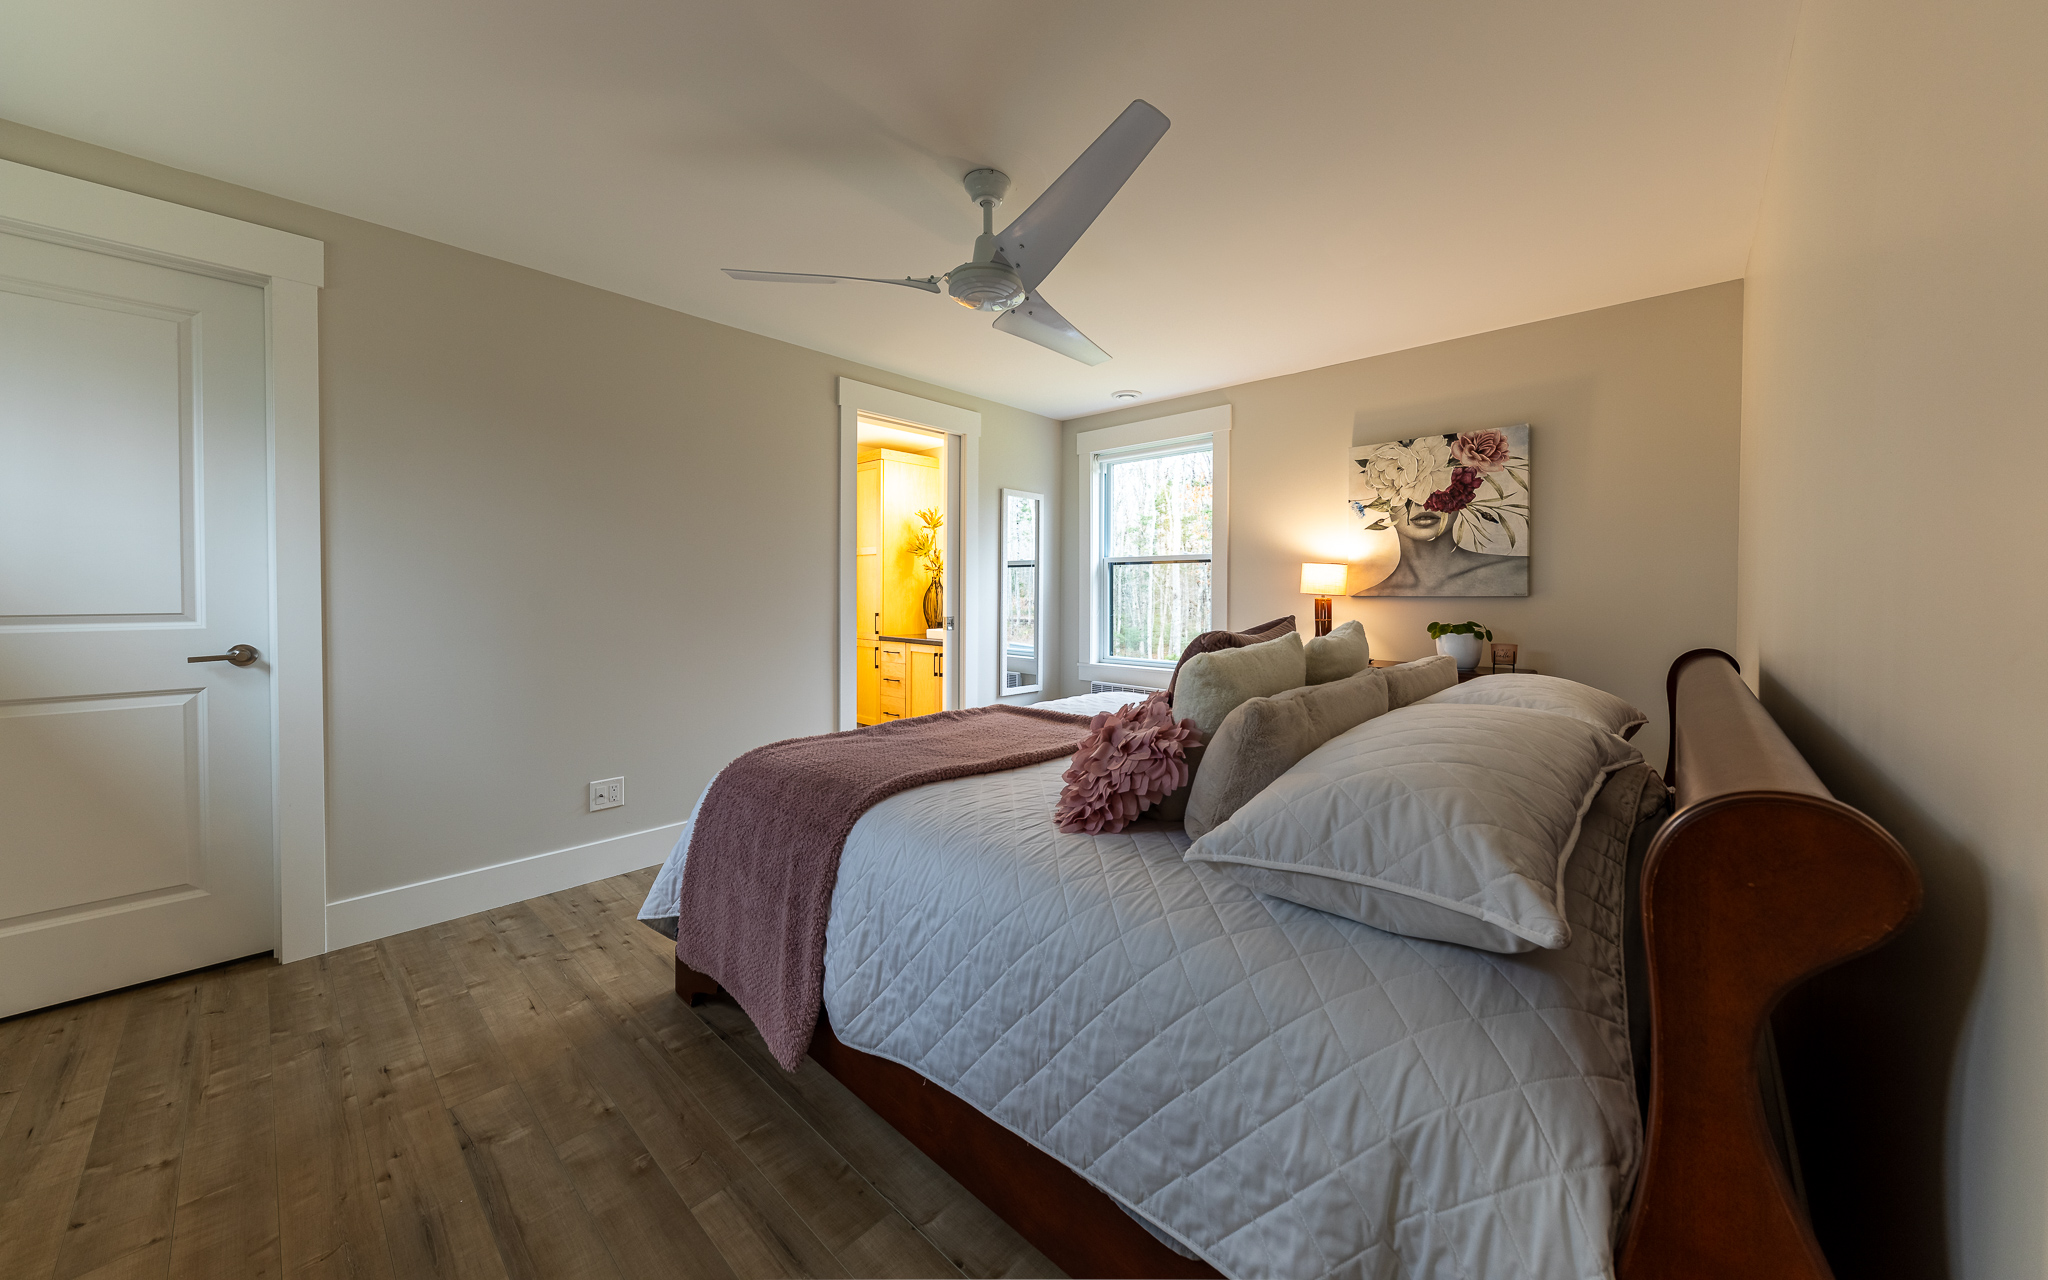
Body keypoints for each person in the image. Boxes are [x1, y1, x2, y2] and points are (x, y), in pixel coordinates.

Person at [1358, 499, 1528, 596]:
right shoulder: (1368, 597)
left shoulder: (1519, 573)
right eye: (1404, 488)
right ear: (1384, 499)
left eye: (1440, 484)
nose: (1423, 502)